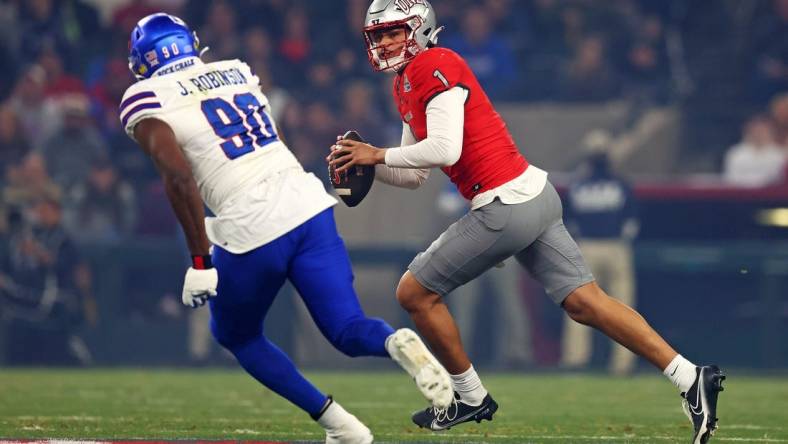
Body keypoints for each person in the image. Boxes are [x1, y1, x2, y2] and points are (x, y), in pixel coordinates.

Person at [328, 2, 725, 443]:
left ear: (418, 30)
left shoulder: (434, 64)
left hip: (503, 204)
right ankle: (690, 376)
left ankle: (470, 396)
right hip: (533, 195)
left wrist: (376, 154)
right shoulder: (407, 80)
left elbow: (444, 150)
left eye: (391, 33)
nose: (383, 43)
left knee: (413, 292)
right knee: (586, 302)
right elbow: (414, 174)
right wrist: (365, 163)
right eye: (377, 36)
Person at [119, 13, 452, 444]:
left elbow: (179, 177)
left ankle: (340, 424)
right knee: (347, 329)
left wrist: (200, 261)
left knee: (235, 333)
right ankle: (396, 343)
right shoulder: (235, 70)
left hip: (250, 221)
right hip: (308, 203)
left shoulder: (145, 96)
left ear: (142, 61)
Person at [563, 131, 638, 375]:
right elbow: (632, 223)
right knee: (623, 308)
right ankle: (622, 363)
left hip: (586, 248)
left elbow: (570, 223)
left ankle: (576, 359)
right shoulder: (620, 184)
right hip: (615, 246)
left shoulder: (578, 186)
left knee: (580, 306)